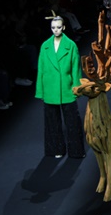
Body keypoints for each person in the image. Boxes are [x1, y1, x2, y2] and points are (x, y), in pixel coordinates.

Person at [35, 16, 86, 159]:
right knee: (52, 122)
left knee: (72, 121)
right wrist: (40, 91)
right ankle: (56, 149)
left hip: (66, 87)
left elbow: (76, 69)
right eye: (53, 27)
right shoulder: (45, 46)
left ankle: (76, 150)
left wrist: (77, 88)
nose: (55, 30)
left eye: (58, 27)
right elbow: (41, 70)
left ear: (63, 27)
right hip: (50, 87)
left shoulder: (71, 45)